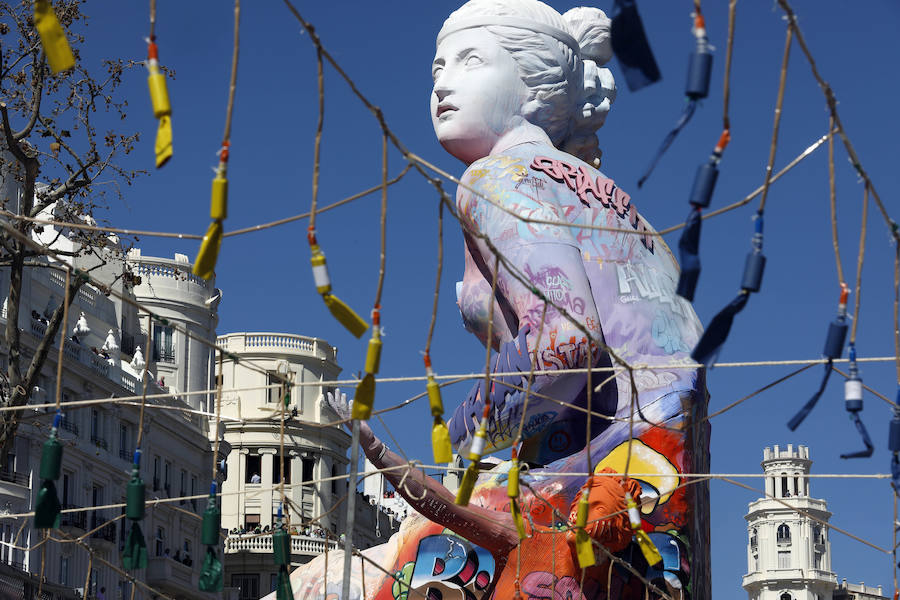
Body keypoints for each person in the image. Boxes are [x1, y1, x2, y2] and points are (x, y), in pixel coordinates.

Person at [277, 2, 707, 599]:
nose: (442, 82)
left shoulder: (499, 178)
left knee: (322, 588)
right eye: (436, 67)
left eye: (470, 60)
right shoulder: (621, 208)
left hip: (578, 506)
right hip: (658, 506)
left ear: (535, 88)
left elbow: (564, 345)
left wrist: (455, 435)